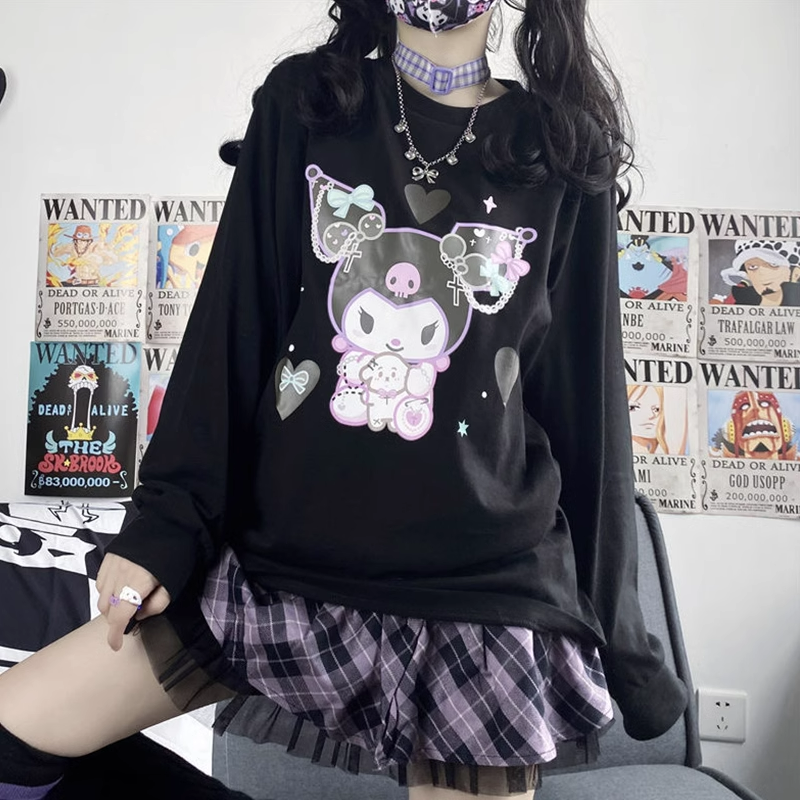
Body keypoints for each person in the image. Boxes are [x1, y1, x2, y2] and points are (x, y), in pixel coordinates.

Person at [0, 1, 688, 798]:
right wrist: (163, 527)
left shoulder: (559, 145)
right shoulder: (309, 104)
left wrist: (627, 647)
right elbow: (232, 330)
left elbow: (586, 410)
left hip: (483, 596)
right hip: (279, 564)